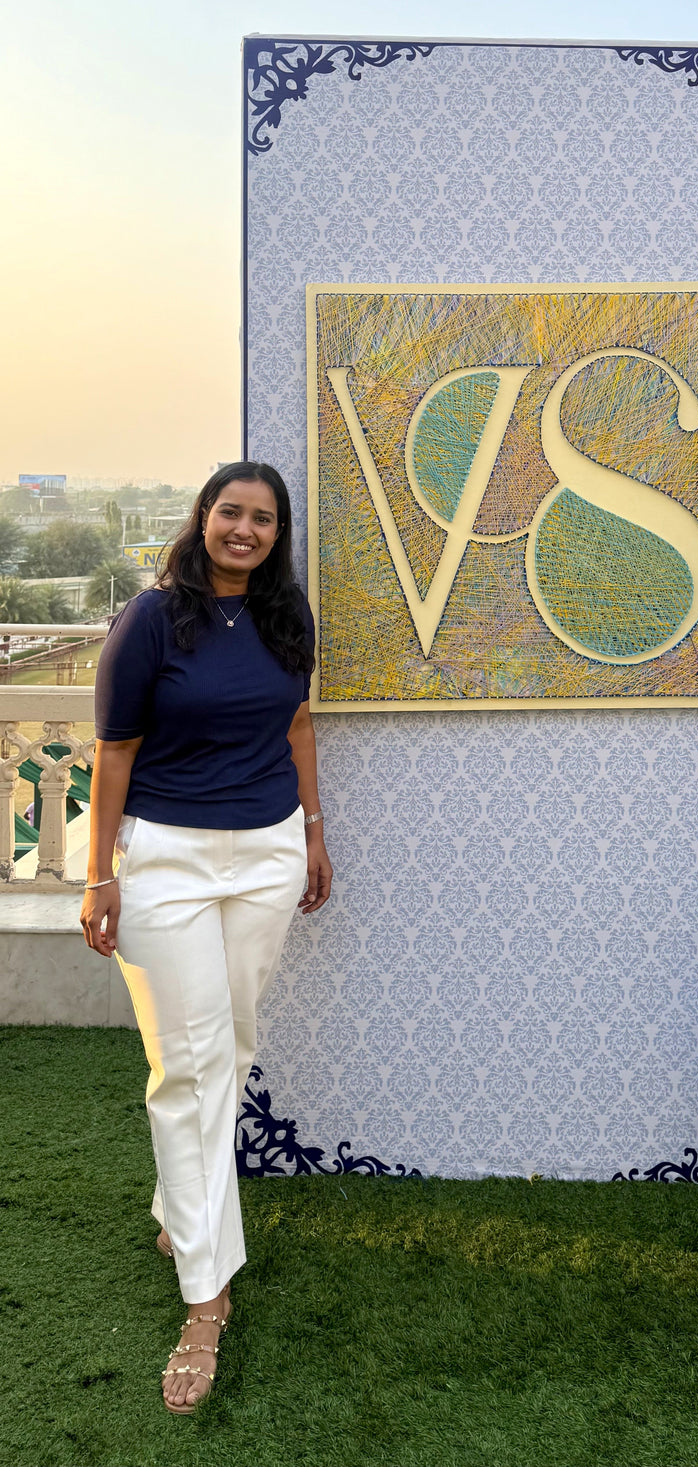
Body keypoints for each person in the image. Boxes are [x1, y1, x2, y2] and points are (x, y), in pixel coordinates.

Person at [80, 461, 332, 1410]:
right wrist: (100, 873)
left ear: (277, 533)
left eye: (264, 519)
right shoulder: (154, 617)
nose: (246, 529)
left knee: (228, 1041)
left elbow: (299, 724)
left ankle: (178, 1210)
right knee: (185, 1065)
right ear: (205, 516)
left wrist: (312, 831)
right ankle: (206, 1295)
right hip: (166, 861)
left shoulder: (284, 617)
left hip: (264, 853)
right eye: (232, 511)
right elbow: (113, 751)